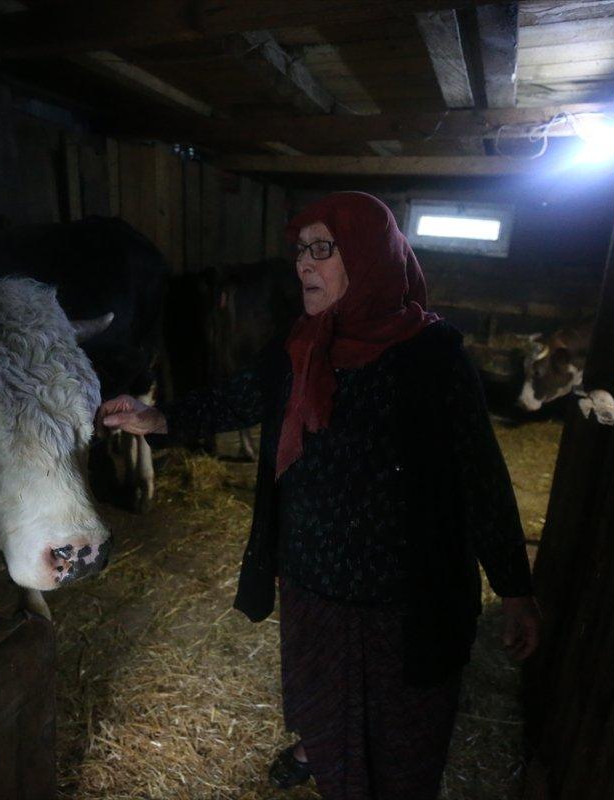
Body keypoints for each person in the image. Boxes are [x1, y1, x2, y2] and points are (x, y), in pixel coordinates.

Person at [98, 191, 539, 799]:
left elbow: (481, 478)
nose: (304, 263)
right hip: (311, 586)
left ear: (370, 256)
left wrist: (515, 588)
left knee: (402, 743)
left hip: (401, 602)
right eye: (301, 250)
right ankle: (321, 755)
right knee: (323, 711)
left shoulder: (432, 360)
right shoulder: (302, 347)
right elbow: (240, 398)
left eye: (322, 249)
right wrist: (157, 418)